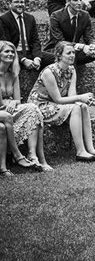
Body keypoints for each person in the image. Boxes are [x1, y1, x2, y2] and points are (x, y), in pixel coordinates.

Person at [28, 41, 95, 162]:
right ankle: (81, 152)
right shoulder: (49, 72)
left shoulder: (71, 69)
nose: (72, 55)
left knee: (82, 107)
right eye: (68, 53)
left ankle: (91, 149)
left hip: (55, 105)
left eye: (73, 53)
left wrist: (84, 101)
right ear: (59, 55)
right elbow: (58, 99)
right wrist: (80, 97)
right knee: (76, 107)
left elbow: (72, 96)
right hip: (40, 106)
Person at [45, 0, 95, 100]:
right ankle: (72, 92)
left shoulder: (84, 15)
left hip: (76, 50)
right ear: (67, 2)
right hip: (57, 51)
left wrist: (92, 46)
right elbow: (59, 40)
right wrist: (82, 46)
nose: (79, 3)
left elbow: (89, 36)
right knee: (71, 54)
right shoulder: (56, 16)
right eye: (75, 0)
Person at [0, 41, 50, 172]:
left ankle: (34, 155)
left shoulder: (14, 74)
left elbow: (17, 100)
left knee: (34, 109)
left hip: (11, 109)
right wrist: (8, 102)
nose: (10, 54)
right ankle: (21, 156)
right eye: (6, 51)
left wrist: (12, 102)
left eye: (12, 52)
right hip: (2, 111)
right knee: (34, 110)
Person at [0, 0, 54, 71]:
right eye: (16, 2)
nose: (20, 4)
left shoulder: (30, 18)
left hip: (30, 52)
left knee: (57, 59)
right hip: (13, 54)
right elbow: (6, 45)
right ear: (10, 4)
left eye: (22, 2)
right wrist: (23, 60)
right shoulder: (3, 19)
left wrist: (37, 58)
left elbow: (35, 41)